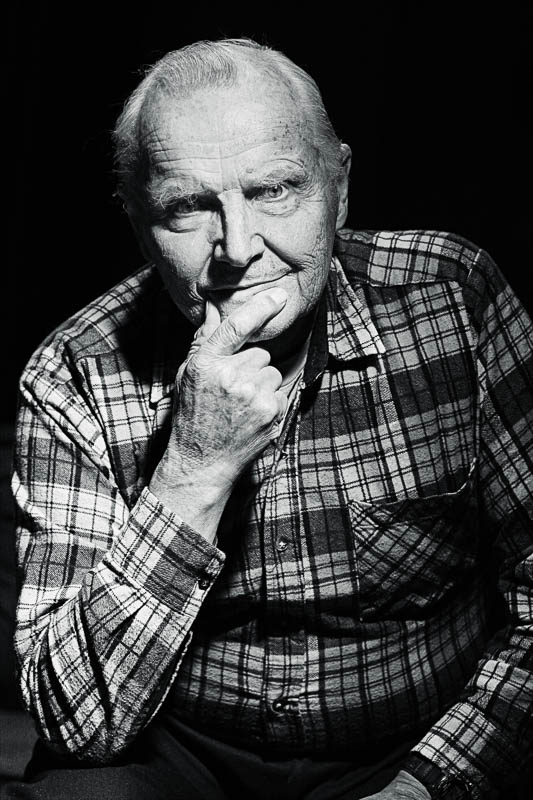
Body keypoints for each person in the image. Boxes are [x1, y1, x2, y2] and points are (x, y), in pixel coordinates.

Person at [3, 38, 532, 800]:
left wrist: (426, 787)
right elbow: (75, 722)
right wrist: (193, 469)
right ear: (140, 226)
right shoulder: (74, 372)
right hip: (180, 752)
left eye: (275, 190)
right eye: (187, 208)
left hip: (411, 743)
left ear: (337, 189)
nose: (238, 248)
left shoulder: (453, 300)